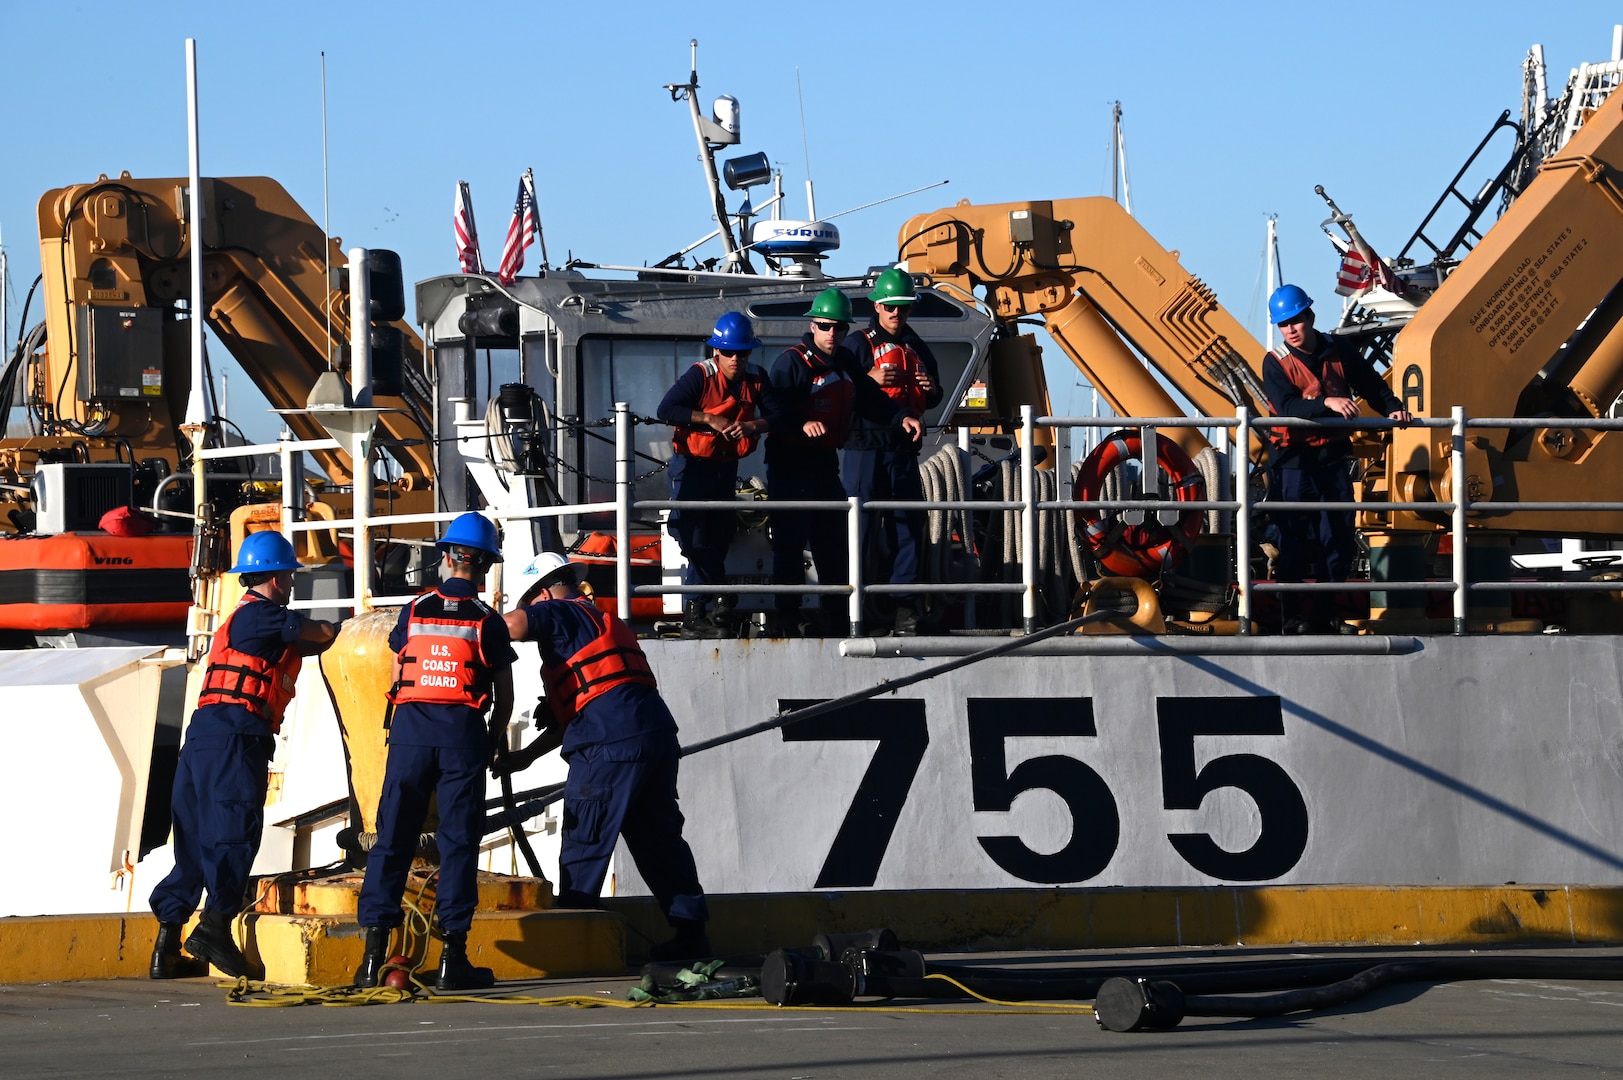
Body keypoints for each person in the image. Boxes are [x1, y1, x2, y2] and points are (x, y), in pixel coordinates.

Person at [499, 552, 711, 961]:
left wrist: (460, 628)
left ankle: (576, 937)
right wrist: (525, 757)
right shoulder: (604, 624)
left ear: (541, 593)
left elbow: (511, 626)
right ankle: (691, 934)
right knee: (658, 840)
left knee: (585, 834)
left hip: (610, 746)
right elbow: (588, 703)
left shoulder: (560, 611)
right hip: (654, 736)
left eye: (529, 601)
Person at [148, 531, 339, 979]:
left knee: (193, 841)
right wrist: (338, 627)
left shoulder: (243, 619)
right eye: (289, 574)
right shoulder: (263, 616)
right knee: (233, 833)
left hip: (204, 736)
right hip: (236, 737)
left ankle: (166, 946)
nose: (292, 582)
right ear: (276, 575)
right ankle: (214, 926)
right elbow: (316, 634)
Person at [353, 512, 516, 991]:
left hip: (408, 736)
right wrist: (493, 741)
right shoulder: (488, 622)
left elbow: (400, 653)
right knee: (458, 844)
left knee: (392, 841)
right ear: (485, 565)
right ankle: (452, 961)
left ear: (446, 557)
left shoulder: (415, 609)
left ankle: (371, 961)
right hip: (463, 737)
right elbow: (503, 696)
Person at [766, 288, 923, 636]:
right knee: (790, 545)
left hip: (824, 465)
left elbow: (870, 400)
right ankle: (786, 621)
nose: (832, 334)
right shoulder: (792, 362)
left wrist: (900, 418)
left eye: (838, 328)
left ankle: (837, 618)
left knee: (834, 543)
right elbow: (772, 410)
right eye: (825, 326)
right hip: (790, 467)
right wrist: (800, 424)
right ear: (813, 325)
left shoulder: (846, 363)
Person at [1262, 284, 1412, 634]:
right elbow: (1286, 407)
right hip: (1293, 464)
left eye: (1296, 321)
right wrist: (1326, 403)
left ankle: (1324, 617)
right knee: (1294, 543)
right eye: (1284, 325)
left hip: (1331, 460)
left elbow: (1371, 384)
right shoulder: (1276, 362)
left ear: (1310, 317)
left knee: (1339, 541)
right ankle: (1292, 620)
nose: (1291, 330)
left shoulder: (1340, 350)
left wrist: (1394, 409)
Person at [656, 312, 780, 638]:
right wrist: (709, 419)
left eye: (743, 352)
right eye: (729, 352)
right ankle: (718, 597)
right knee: (690, 535)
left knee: (718, 536)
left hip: (725, 469)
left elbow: (779, 414)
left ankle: (702, 612)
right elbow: (667, 410)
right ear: (716, 352)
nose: (736, 359)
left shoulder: (757, 377)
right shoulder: (699, 376)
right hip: (692, 467)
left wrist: (753, 426)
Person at [842, 268, 944, 635]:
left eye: (902, 307)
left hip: (901, 452)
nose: (896, 314)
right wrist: (868, 379)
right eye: (890, 307)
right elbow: (840, 389)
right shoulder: (858, 345)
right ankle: (853, 608)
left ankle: (904, 609)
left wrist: (930, 389)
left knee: (908, 527)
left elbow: (934, 396)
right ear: (877, 306)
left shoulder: (917, 347)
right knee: (860, 530)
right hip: (864, 449)